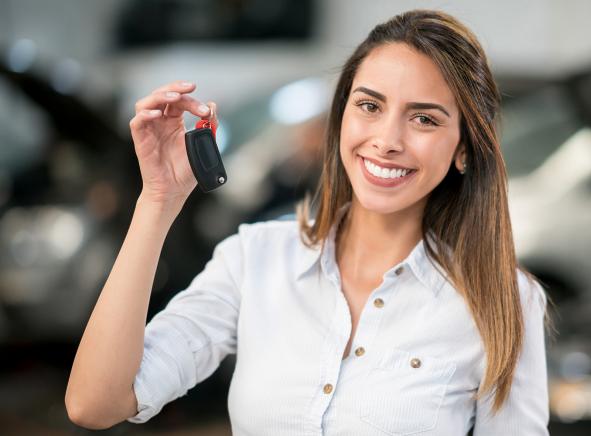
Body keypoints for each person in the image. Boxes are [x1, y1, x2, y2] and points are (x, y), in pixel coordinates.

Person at [65, 9, 550, 435]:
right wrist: (157, 201)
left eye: (424, 119)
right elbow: (96, 403)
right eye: (370, 106)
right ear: (341, 118)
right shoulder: (253, 258)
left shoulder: (503, 301)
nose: (387, 139)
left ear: (464, 147)